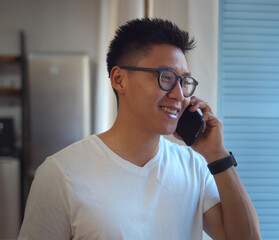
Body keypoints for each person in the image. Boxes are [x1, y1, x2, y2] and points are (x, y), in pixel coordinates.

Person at [18, 18, 261, 240]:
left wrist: (217, 155)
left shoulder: (193, 166)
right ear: (119, 79)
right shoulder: (60, 174)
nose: (178, 95)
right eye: (166, 77)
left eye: (184, 81)